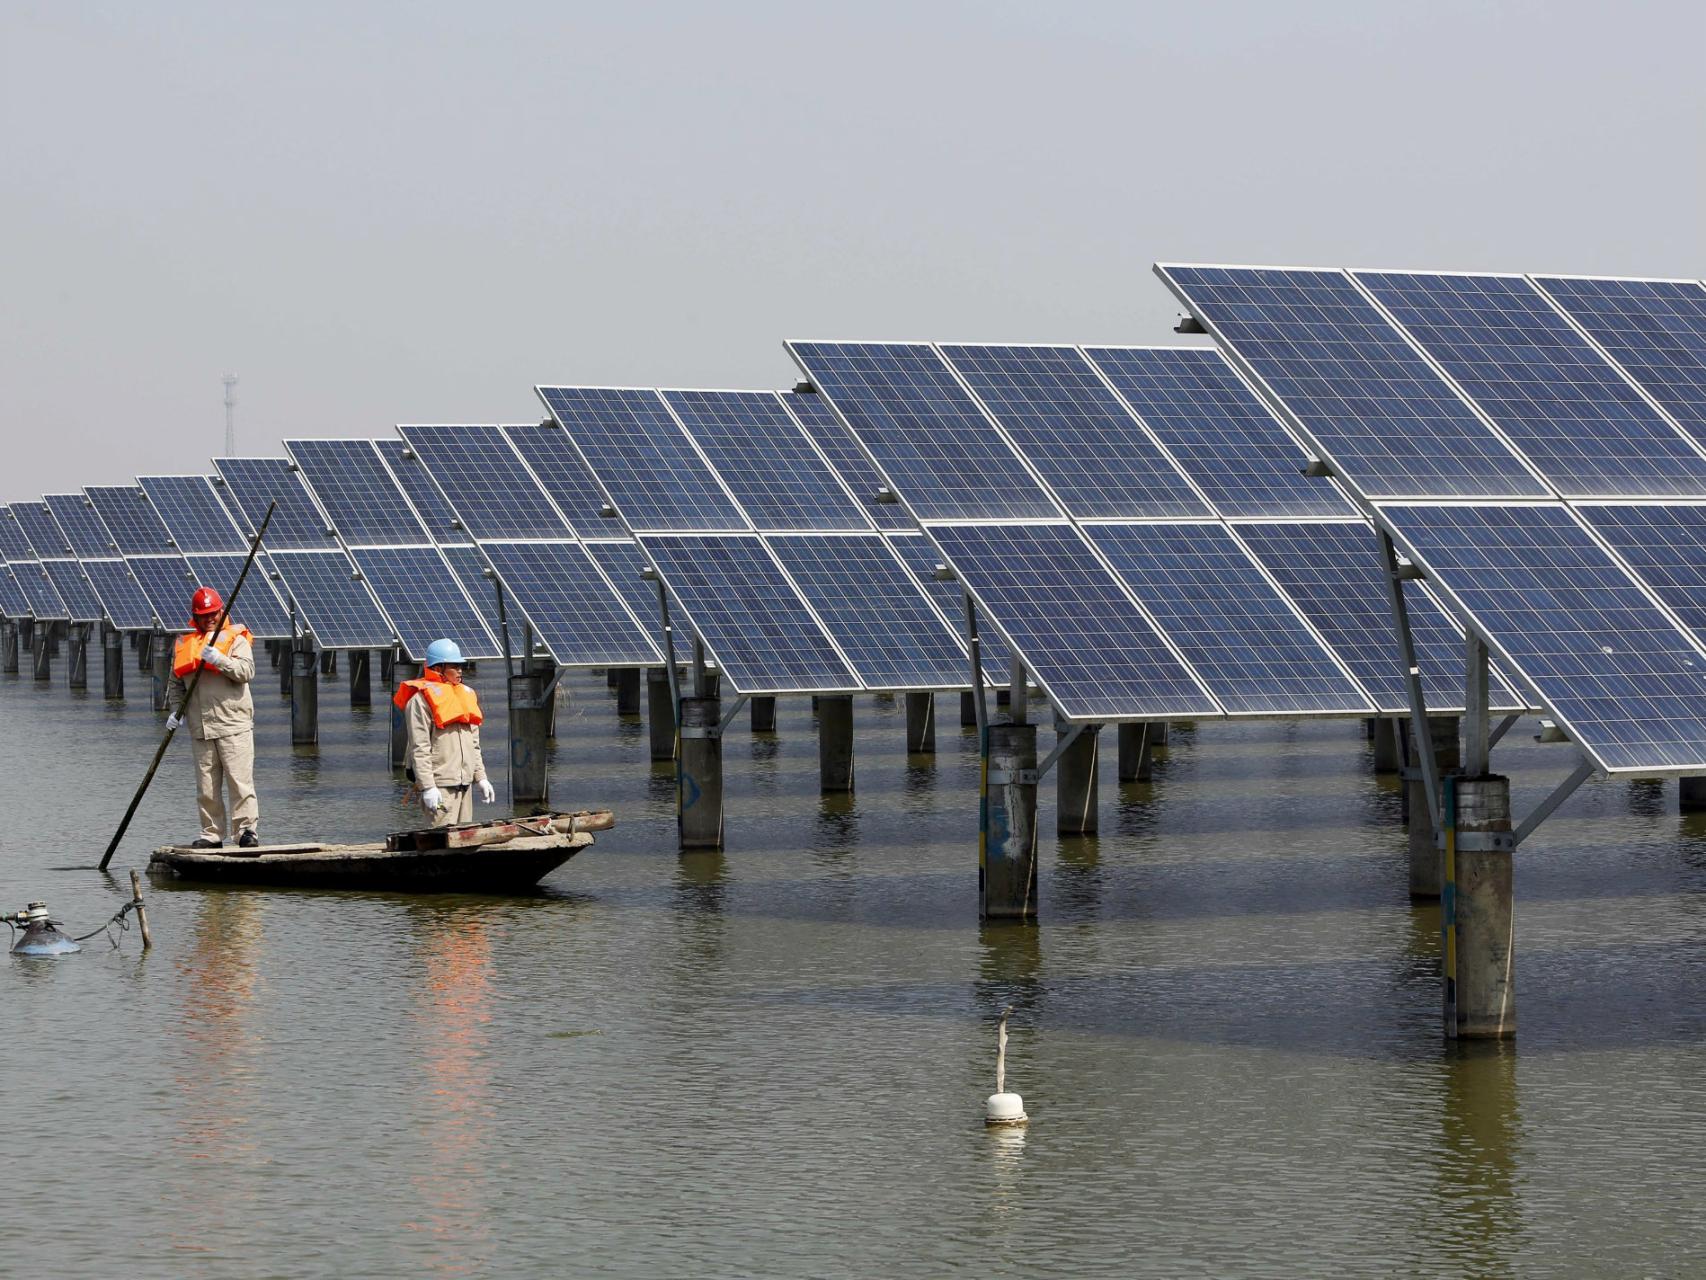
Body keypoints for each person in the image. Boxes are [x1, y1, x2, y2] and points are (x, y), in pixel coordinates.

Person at [165, 587, 260, 849]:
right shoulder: (185, 644)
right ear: (194, 617)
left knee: (240, 782)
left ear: (221, 612)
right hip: (201, 727)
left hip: (233, 725)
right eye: (203, 615)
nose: (209, 619)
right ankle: (212, 834)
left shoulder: (236, 640)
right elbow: (175, 682)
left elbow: (246, 672)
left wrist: (220, 660)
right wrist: (176, 710)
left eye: (213, 613)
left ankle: (245, 832)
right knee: (206, 786)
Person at [394, 638, 495, 826]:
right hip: (440, 787)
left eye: (460, 666)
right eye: (454, 666)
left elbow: (474, 744)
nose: (460, 670)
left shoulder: (466, 696)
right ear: (438, 668)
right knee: (440, 841)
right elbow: (420, 747)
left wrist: (481, 777)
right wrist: (428, 787)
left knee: (464, 838)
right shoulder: (420, 701)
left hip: (465, 785)